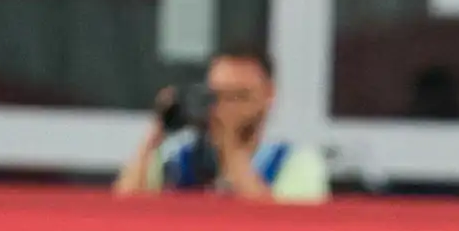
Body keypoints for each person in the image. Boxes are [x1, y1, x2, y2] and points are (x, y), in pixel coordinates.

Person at [114, 47, 328, 203]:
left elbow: (283, 228)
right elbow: (125, 207)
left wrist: (230, 147)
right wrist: (156, 132)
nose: (226, 106)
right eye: (217, 95)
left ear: (268, 95)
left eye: (239, 96)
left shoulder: (295, 162)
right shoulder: (179, 159)